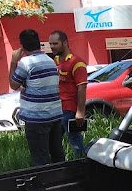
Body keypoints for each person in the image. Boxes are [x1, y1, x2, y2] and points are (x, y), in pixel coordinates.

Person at [10, 29, 64, 166]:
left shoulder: (26, 63)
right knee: (57, 154)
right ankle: (62, 176)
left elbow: (13, 84)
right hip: (54, 115)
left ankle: (45, 179)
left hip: (37, 118)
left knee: (40, 158)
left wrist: (13, 61)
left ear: (22, 47)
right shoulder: (50, 60)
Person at [48, 30, 88, 158]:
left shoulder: (77, 63)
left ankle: (81, 163)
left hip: (69, 110)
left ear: (65, 43)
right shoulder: (56, 60)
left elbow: (82, 87)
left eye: (55, 43)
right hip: (56, 109)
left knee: (75, 140)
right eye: (50, 44)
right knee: (53, 142)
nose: (52, 47)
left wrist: (80, 112)